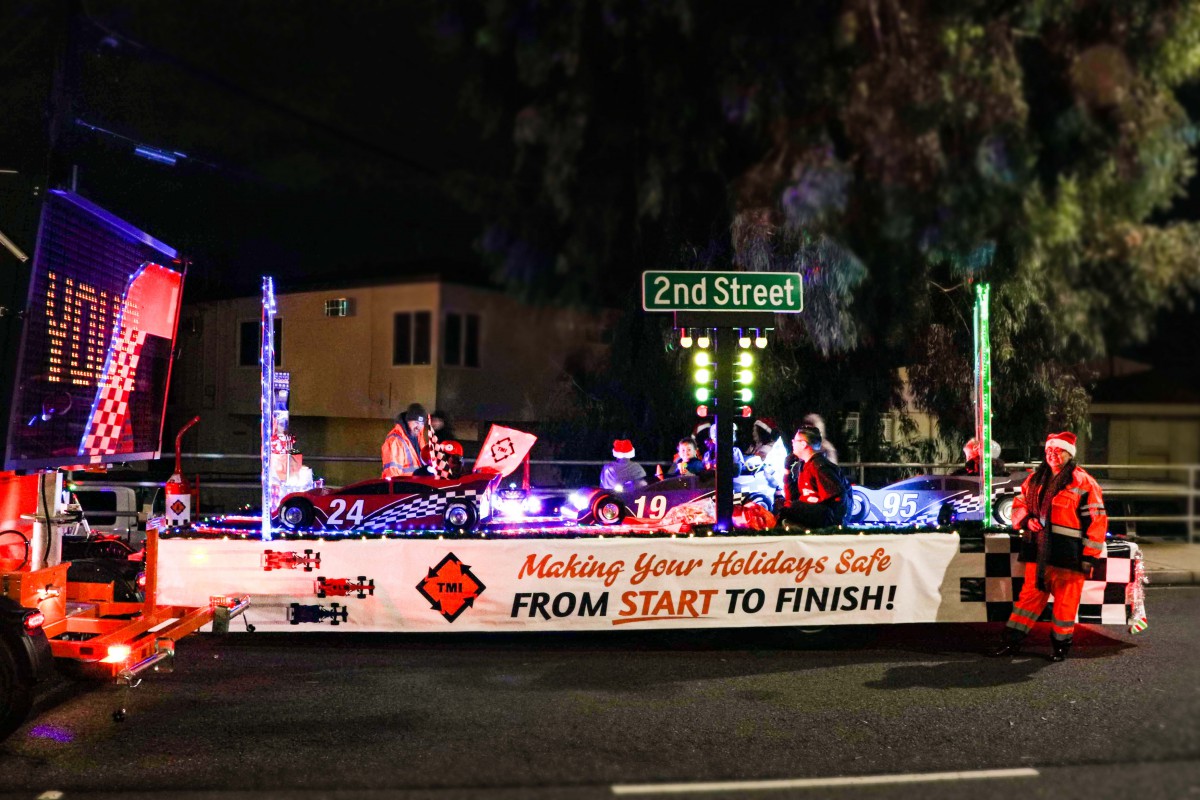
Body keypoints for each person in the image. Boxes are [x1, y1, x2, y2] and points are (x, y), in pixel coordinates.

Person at [989, 432, 1107, 662]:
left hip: (1069, 555)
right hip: (1038, 552)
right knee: (1027, 600)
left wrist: (1089, 557)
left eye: (1058, 451)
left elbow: (1096, 520)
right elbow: (1019, 503)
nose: (1052, 455)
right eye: (1049, 451)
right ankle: (1010, 642)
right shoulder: (1034, 479)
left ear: (1069, 454)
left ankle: (1061, 647)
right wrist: (1025, 520)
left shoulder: (1083, 482)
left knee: (1065, 605)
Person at [777, 425, 849, 528]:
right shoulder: (805, 465)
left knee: (792, 507)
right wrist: (787, 471)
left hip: (826, 519)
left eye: (795, 440)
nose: (792, 442)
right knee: (784, 505)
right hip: (814, 515)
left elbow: (838, 498)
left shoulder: (820, 466)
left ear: (803, 444)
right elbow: (792, 498)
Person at [381, 402, 430, 478]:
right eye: (416, 422)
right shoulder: (395, 441)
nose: (419, 427)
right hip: (403, 487)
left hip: (415, 486)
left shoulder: (419, 438)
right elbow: (392, 473)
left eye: (422, 423)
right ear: (408, 421)